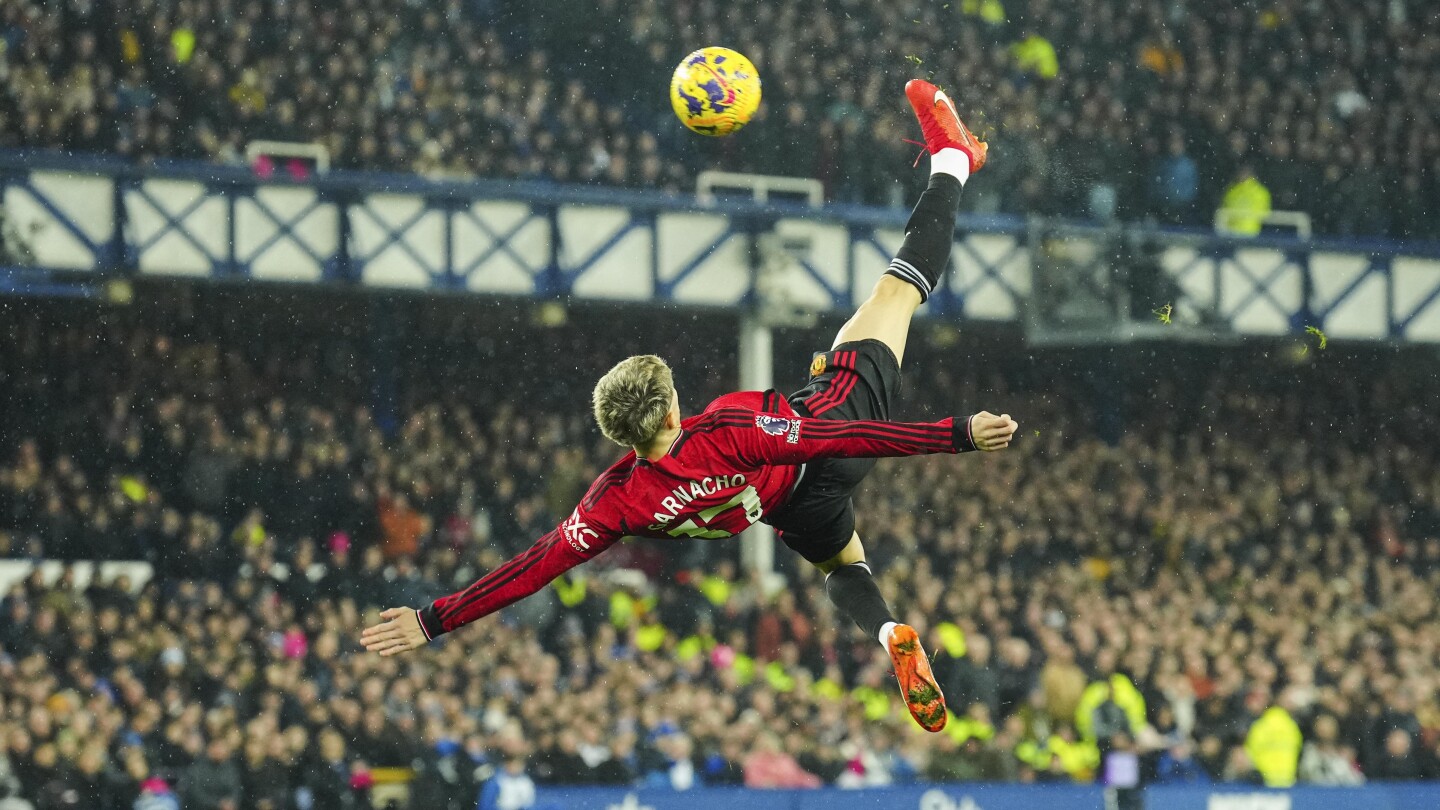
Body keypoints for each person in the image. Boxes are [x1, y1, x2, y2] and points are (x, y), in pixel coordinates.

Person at [361, 79, 1017, 733]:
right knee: (895, 293)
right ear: (673, 411)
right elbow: (830, 441)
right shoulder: (727, 427)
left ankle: (888, 630)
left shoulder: (615, 501)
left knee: (843, 565)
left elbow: (530, 569)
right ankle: (952, 160)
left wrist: (432, 619)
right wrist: (957, 433)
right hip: (827, 432)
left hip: (791, 509)